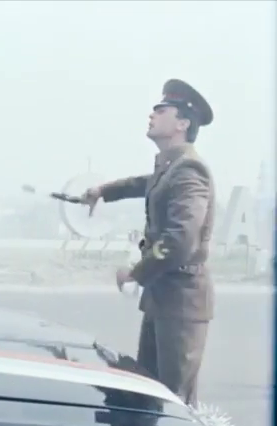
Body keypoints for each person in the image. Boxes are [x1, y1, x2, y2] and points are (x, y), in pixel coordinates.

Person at [80, 79, 215, 406]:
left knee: (174, 403)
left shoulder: (189, 170)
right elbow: (143, 183)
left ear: (182, 124)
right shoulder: (170, 166)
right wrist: (103, 191)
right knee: (150, 394)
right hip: (164, 297)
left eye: (161, 110)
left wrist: (137, 272)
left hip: (181, 300)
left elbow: (181, 239)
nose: (152, 115)